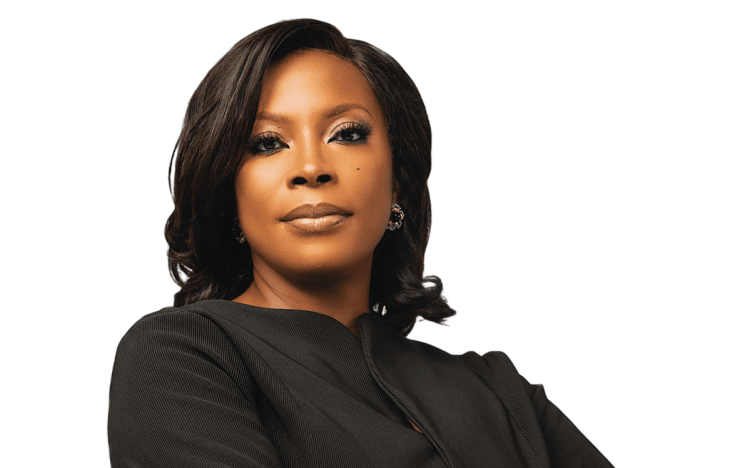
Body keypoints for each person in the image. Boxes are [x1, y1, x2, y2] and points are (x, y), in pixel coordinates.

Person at [108, 18, 613, 468]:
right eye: (267, 143)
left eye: (346, 133)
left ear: (398, 181)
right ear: (228, 192)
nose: (310, 168)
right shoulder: (180, 356)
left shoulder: (502, 394)